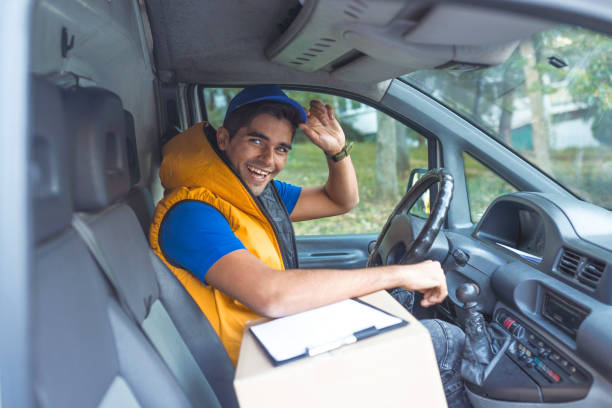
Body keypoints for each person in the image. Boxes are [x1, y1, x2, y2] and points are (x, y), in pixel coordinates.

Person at [149, 85, 470, 408]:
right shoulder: (192, 213)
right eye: (256, 140)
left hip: (276, 343)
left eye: (281, 149)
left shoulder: (255, 194)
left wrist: (337, 152)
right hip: (258, 374)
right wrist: (401, 274)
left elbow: (339, 200)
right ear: (223, 139)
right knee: (443, 340)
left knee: (399, 308)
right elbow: (271, 295)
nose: (268, 159)